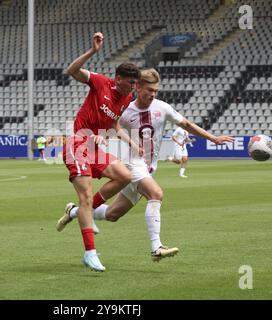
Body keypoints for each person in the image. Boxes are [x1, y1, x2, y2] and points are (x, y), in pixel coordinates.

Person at [57, 69, 233, 262]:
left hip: (149, 168)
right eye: (149, 89)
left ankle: (74, 211)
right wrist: (100, 137)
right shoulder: (125, 109)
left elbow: (187, 124)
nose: (153, 94)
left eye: (156, 90)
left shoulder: (162, 108)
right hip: (132, 164)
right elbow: (108, 126)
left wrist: (213, 138)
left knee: (113, 214)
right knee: (156, 193)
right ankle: (156, 247)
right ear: (138, 87)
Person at [57, 32, 142, 272]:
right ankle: (90, 253)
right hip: (78, 145)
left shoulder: (125, 99)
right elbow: (71, 71)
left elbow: (113, 125)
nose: (134, 88)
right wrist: (93, 52)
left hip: (94, 147)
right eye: (131, 83)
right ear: (118, 79)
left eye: (136, 84)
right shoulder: (100, 82)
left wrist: (131, 142)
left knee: (125, 176)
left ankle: (81, 212)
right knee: (85, 196)